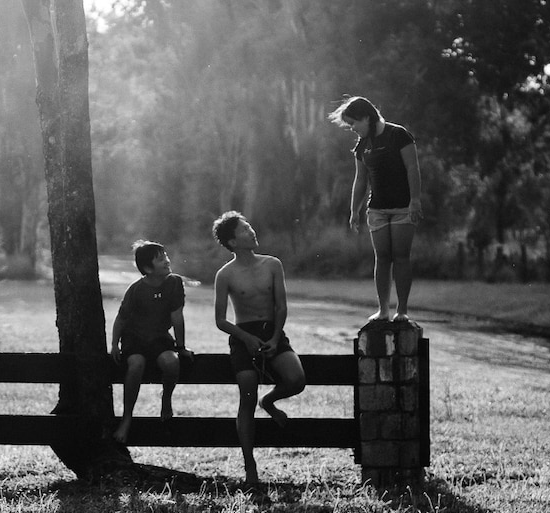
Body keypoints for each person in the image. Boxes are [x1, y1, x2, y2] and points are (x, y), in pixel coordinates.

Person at [212, 212, 306, 484]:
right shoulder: (225, 275)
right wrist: (245, 338)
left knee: (296, 379)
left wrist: (276, 339)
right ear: (232, 241)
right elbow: (220, 320)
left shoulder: (272, 264)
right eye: (244, 230)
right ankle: (250, 466)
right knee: (247, 395)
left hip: (272, 332)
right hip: (243, 338)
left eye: (250, 226)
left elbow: (281, 306)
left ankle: (271, 401)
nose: (251, 231)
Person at [328, 96, 422, 322]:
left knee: (401, 257)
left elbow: (412, 168)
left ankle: (402, 311)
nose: (353, 129)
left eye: (354, 123)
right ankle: (383, 310)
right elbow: (360, 180)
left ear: (366, 117)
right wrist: (354, 210)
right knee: (382, 258)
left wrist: (415, 200)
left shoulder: (398, 135)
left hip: (402, 208)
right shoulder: (362, 146)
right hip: (377, 210)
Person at [111, 240, 193, 444]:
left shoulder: (174, 282)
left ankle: (166, 399)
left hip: (159, 338)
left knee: (171, 362)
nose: (167, 261)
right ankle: (127, 417)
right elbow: (121, 319)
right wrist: (114, 344)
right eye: (160, 259)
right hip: (134, 338)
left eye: (165, 256)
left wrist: (181, 347)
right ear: (148, 268)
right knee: (136, 364)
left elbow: (177, 317)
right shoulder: (136, 289)